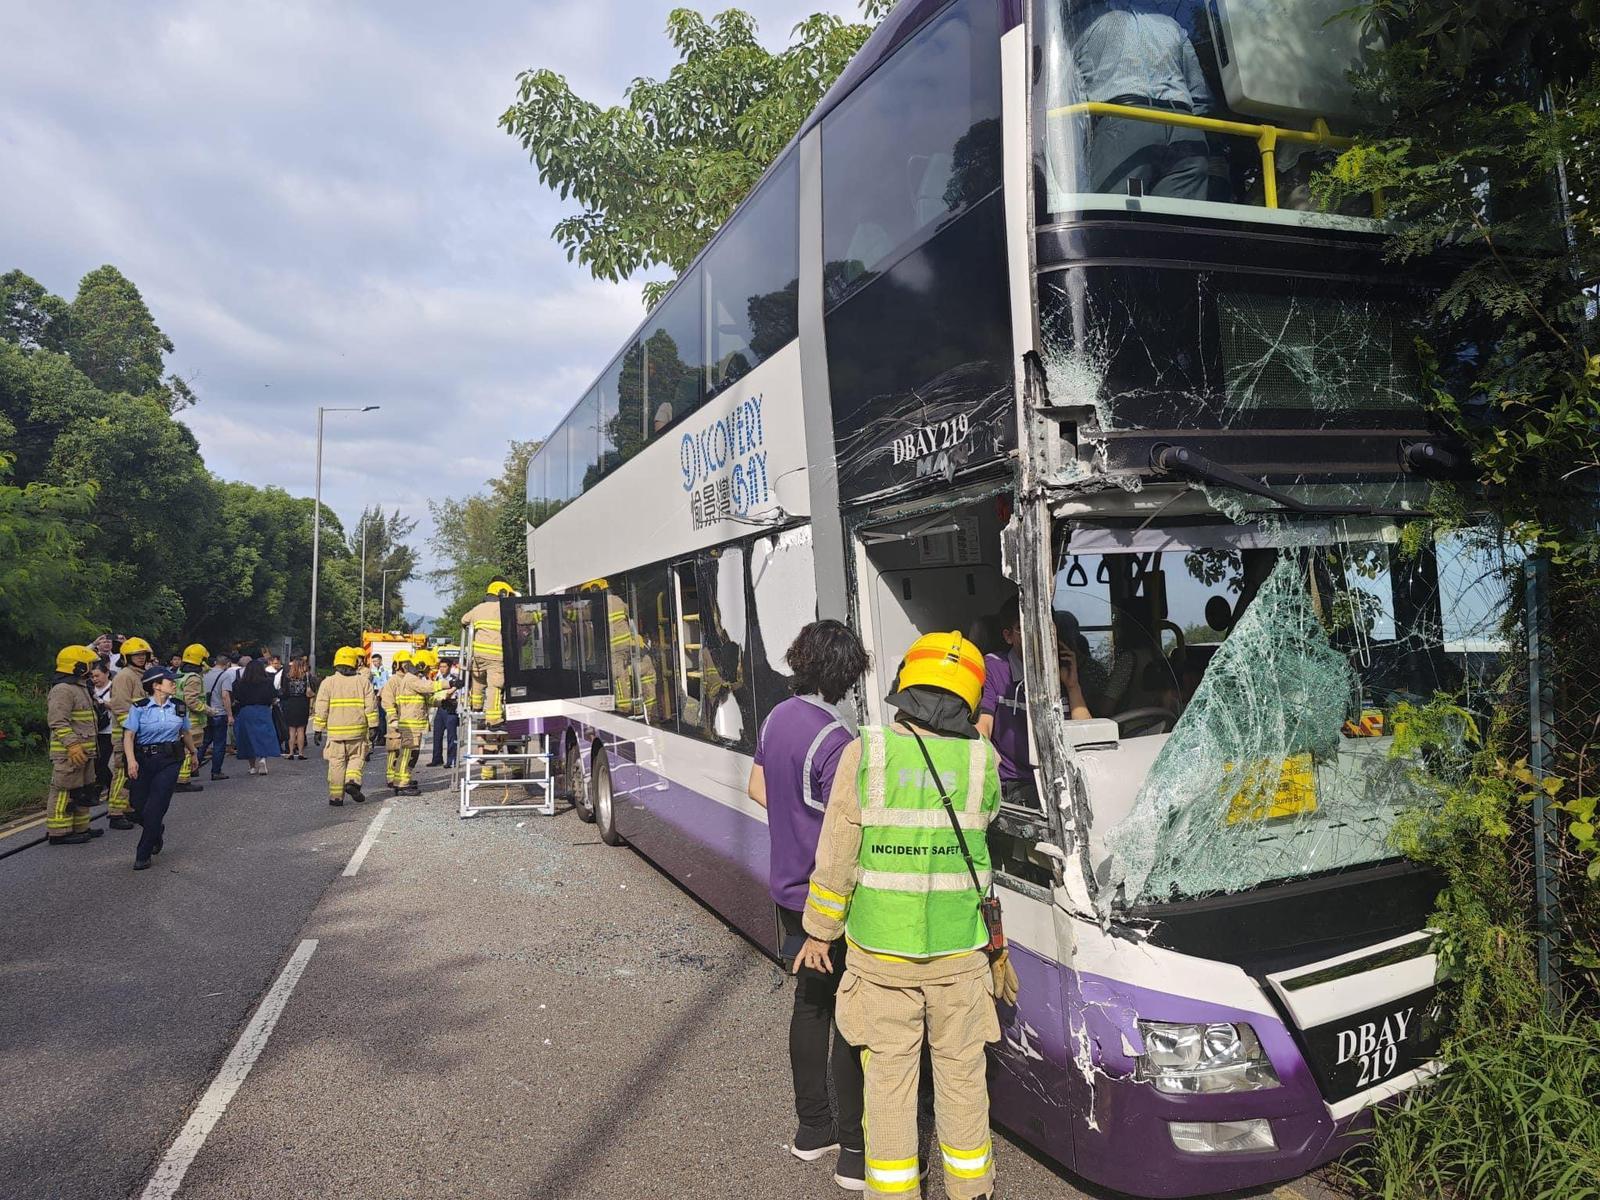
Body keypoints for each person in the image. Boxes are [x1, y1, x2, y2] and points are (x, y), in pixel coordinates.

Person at [795, 631, 1015, 1200]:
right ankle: (972, 1192)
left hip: (881, 957)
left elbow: (837, 853)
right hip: (961, 956)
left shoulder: (866, 752)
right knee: (963, 1081)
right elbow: (987, 823)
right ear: (968, 697)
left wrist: (819, 932)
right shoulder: (981, 760)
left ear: (905, 686)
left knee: (889, 1085)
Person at [746, 620, 869, 1188]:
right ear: (845, 674)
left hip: (787, 889)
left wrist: (794, 825)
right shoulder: (837, 740)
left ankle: (811, 1130)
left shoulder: (776, 717)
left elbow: (757, 788)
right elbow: (847, 827)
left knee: (810, 1006)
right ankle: (854, 1152)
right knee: (848, 1016)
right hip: (828, 896)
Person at [1071, 0, 1215, 200]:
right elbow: (1201, 95)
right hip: (1185, 127)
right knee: (1179, 216)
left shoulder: (1083, 24)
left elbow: (1072, 96)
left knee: (1116, 211)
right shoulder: (1171, 24)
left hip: (1123, 123)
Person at [976, 602, 1093, 808]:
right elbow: (983, 727)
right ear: (1008, 636)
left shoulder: (1058, 671)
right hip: (1016, 783)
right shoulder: (995, 667)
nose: (1037, 635)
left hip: (1062, 779)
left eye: (1046, 627)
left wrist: (1072, 686)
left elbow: (1087, 737)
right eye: (1024, 628)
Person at [124, 664, 193, 870]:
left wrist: (194, 752)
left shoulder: (179, 706)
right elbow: (129, 736)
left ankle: (143, 854)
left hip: (169, 760)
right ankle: (155, 830)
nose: (174, 684)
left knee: (156, 806)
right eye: (170, 681)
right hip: (143, 760)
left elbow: (185, 732)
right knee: (137, 805)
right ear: (156, 685)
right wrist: (131, 761)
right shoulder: (140, 707)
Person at [45, 646, 103, 846]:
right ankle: (59, 832)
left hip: (85, 750)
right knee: (64, 790)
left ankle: (81, 828)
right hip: (69, 753)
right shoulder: (63, 690)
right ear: (78, 666)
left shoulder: (81, 687)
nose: (93, 669)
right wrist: (72, 745)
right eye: (90, 665)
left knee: (82, 790)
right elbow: (57, 722)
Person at [384, 648, 455, 795]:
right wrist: (449, 683)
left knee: (410, 754)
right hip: (410, 724)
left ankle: (403, 780)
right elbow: (427, 687)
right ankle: (401, 784)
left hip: (413, 724)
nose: (429, 671)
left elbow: (427, 699)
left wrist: (443, 701)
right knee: (407, 754)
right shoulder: (411, 679)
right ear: (421, 666)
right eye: (428, 668)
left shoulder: (412, 679)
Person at [313, 646, 378, 805]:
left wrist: (318, 729)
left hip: (336, 734)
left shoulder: (328, 682)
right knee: (357, 758)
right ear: (354, 663)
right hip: (357, 732)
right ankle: (352, 781)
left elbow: (321, 707)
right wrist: (373, 726)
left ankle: (336, 797)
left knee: (336, 763)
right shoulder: (363, 682)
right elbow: (371, 706)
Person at [105, 635, 154, 830]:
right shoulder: (125, 676)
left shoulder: (140, 675)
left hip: (139, 733)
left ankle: (127, 807)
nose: (141, 658)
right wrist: (132, 730)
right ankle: (115, 813)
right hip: (126, 734)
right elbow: (121, 707)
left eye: (143, 654)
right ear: (127, 657)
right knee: (122, 773)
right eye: (136, 655)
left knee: (133, 773)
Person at [461, 580, 514, 728]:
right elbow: (521, 618)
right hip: (496, 657)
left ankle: (476, 705)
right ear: (502, 593)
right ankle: (494, 720)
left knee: (478, 679)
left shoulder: (478, 608)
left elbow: (464, 620)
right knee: (495, 686)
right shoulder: (503, 608)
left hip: (477, 656)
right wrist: (538, 616)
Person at [230, 657, 281, 775]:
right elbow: (274, 697)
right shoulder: (267, 682)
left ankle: (252, 767)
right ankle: (262, 759)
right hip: (263, 711)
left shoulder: (240, 683)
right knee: (263, 737)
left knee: (248, 738)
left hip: (246, 711)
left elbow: (236, 699)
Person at [173, 644, 210, 794]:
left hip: (180, 716)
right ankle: (183, 781)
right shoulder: (194, 678)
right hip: (192, 719)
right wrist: (209, 710)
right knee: (189, 749)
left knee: (183, 749)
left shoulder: (180, 673)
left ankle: (181, 778)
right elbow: (192, 700)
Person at [199, 652, 234, 780]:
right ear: (227, 663)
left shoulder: (204, 674)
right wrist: (230, 714)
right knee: (219, 743)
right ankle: (216, 771)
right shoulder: (224, 675)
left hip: (205, 711)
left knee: (204, 741)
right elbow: (225, 695)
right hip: (219, 713)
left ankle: (193, 766)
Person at [426, 657, 462, 768]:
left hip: (451, 707)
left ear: (450, 667)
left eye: (444, 667)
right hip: (440, 707)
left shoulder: (454, 679)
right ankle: (437, 759)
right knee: (437, 734)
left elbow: (457, 693)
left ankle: (451, 760)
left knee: (451, 736)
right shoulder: (438, 678)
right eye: (440, 667)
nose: (442, 669)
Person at [89, 661, 114, 798]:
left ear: (107, 674)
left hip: (109, 731)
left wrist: (101, 702)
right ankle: (107, 787)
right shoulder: (90, 689)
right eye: (92, 676)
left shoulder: (114, 688)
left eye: (97, 676)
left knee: (103, 762)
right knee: (96, 763)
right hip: (95, 731)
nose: (95, 679)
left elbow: (118, 706)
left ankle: (109, 788)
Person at [281, 657, 313, 759]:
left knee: (291, 730)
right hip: (303, 703)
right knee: (301, 730)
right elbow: (312, 689)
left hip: (290, 703)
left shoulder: (288, 677)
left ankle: (291, 752)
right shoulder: (306, 676)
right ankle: (301, 753)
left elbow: (284, 691)